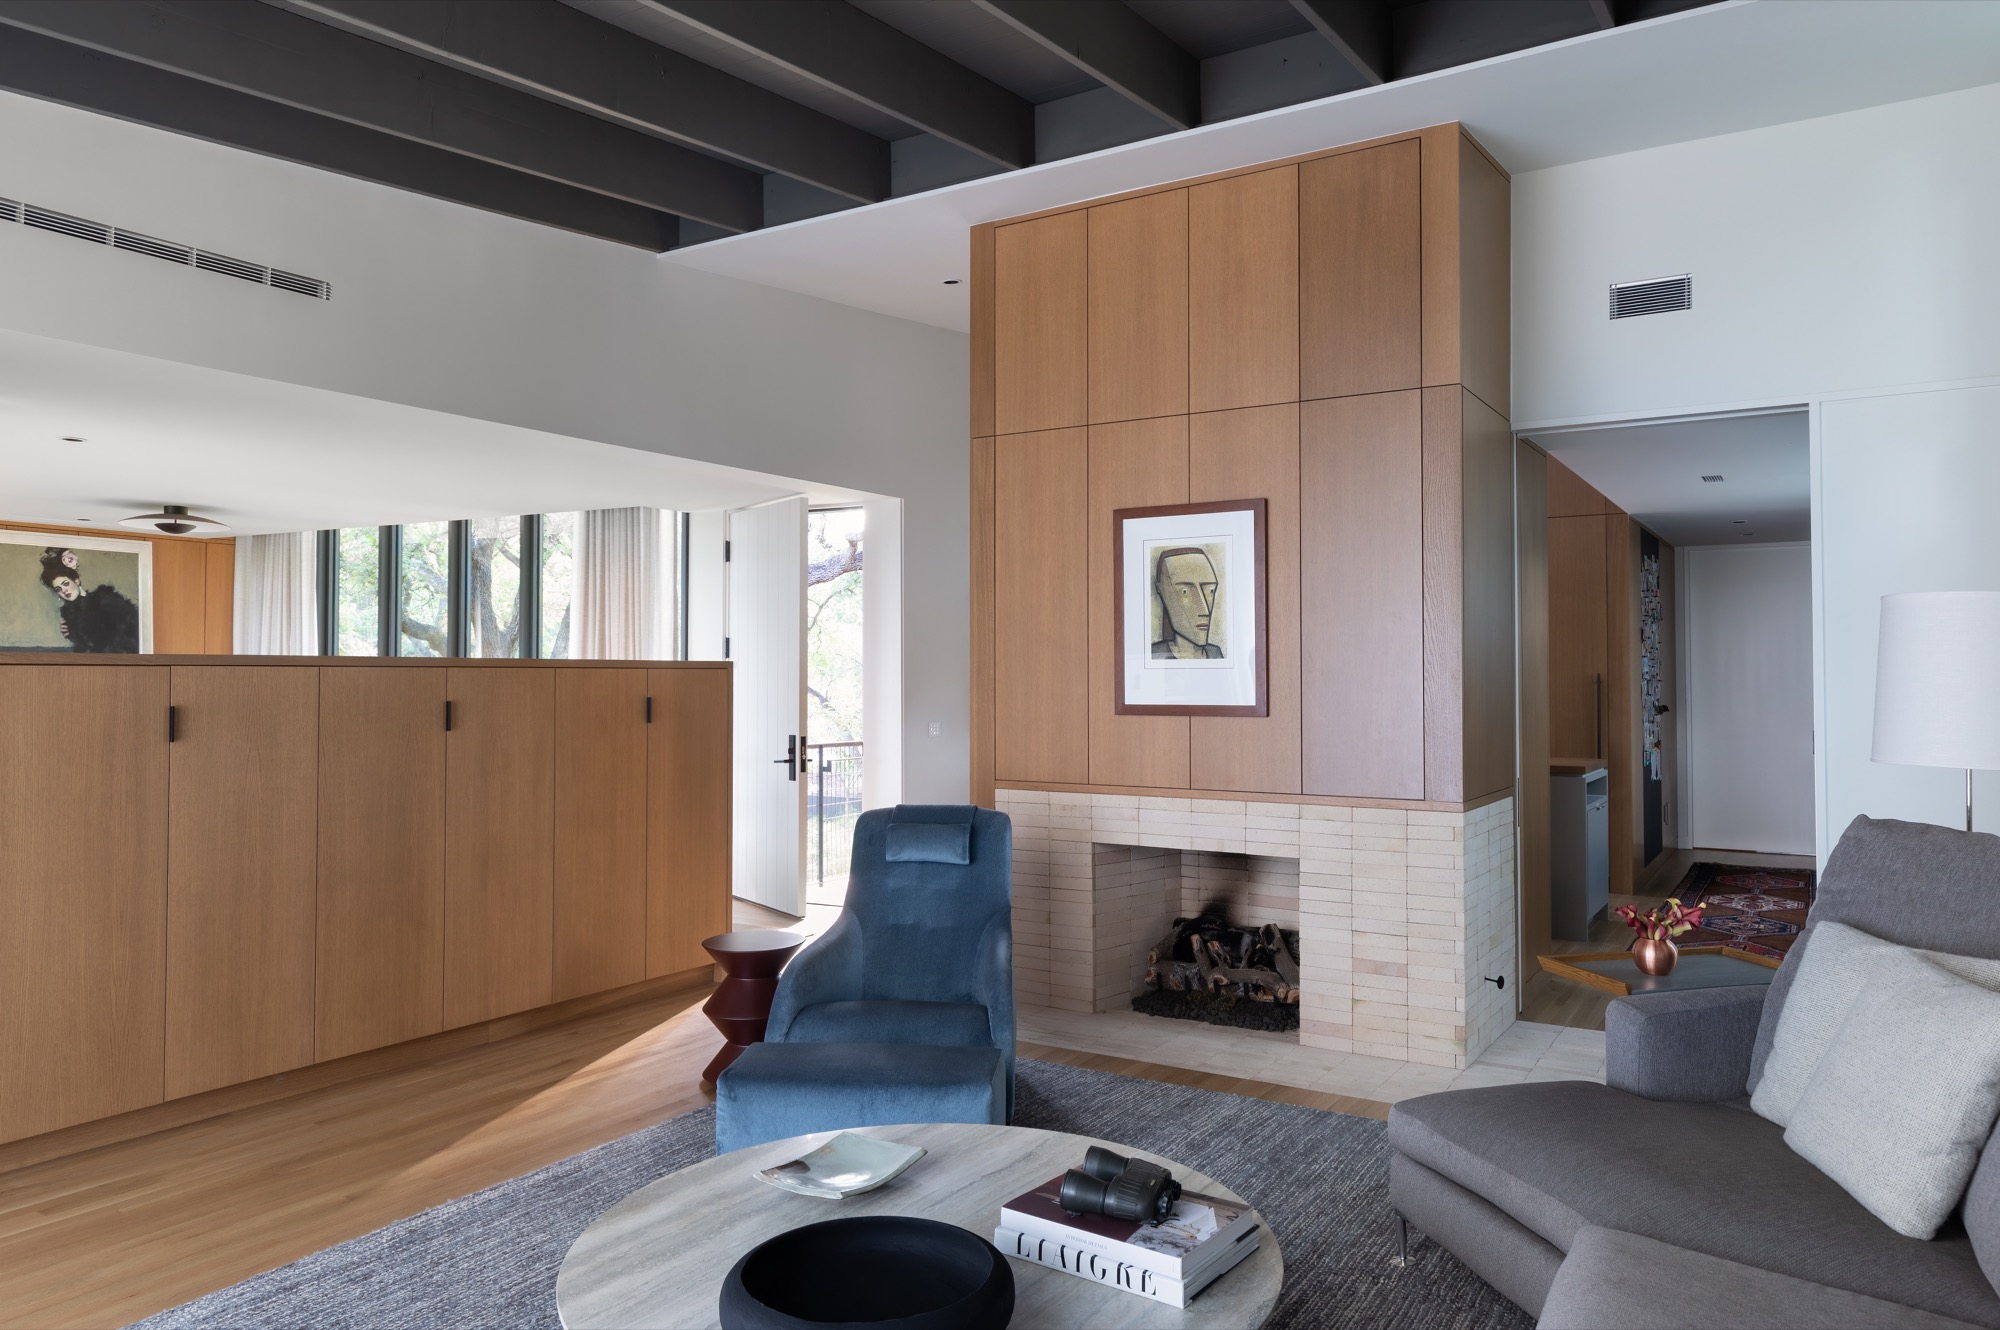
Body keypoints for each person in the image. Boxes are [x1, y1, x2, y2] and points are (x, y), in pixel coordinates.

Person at [40, 549, 140, 653]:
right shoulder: (70, 613)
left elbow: (131, 631)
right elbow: (85, 644)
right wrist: (70, 635)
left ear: (76, 581)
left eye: (66, 584)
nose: (64, 591)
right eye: (58, 589)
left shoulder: (104, 599)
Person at [1150, 546, 1224, 660]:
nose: (1205, 611)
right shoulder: (1154, 657)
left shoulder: (1217, 655)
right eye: (1185, 591)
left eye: (1211, 591)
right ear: (1161, 589)